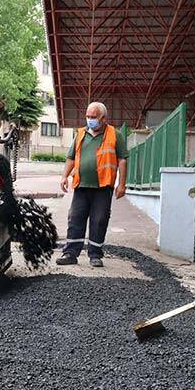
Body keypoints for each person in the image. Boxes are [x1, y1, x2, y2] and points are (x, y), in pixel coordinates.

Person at [56, 101, 127, 268]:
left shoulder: (115, 135)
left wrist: (122, 184)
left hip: (103, 187)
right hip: (81, 185)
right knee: (75, 218)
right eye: (88, 116)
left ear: (103, 118)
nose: (89, 120)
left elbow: (122, 160)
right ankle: (70, 253)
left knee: (99, 220)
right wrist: (64, 176)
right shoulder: (80, 134)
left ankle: (95, 254)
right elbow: (71, 158)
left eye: (93, 117)